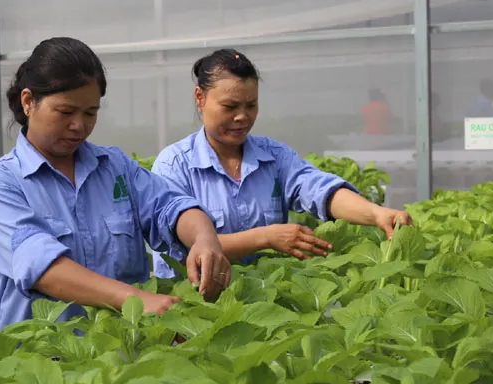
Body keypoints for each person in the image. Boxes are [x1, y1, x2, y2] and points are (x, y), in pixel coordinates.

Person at [0, 37, 230, 330]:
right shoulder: (1, 184)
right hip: (43, 352)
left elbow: (170, 206)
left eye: (90, 113)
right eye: (65, 112)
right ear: (28, 101)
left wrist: (204, 238)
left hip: (124, 348)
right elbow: (43, 268)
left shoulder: (114, 167)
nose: (79, 125)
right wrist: (137, 300)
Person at [150, 49, 412, 278]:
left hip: (265, 298)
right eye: (230, 106)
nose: (242, 116)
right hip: (193, 305)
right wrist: (265, 237)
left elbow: (318, 189)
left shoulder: (274, 156)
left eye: (251, 105)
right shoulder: (175, 165)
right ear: (200, 98)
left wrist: (376, 213)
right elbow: (187, 250)